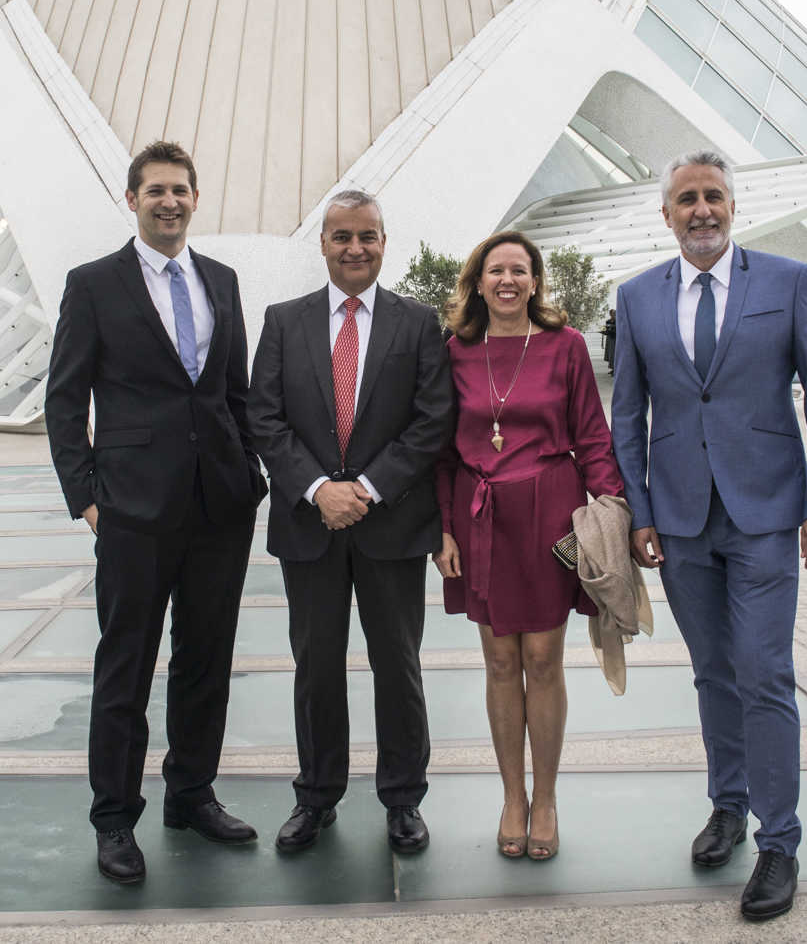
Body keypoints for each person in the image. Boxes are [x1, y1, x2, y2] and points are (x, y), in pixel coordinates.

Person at [610, 149, 807, 923]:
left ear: (733, 207)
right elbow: (628, 419)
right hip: (680, 519)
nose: (701, 209)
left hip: (768, 514)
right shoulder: (638, 297)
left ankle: (779, 841)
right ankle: (728, 805)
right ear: (667, 213)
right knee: (713, 670)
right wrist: (640, 513)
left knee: (764, 670)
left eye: (713, 196)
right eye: (687, 199)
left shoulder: (787, 282)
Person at [42, 140, 269, 885]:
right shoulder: (94, 284)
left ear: (195, 199)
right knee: (127, 665)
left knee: (206, 659)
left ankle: (191, 792)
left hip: (219, 507)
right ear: (132, 198)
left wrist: (250, 475)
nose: (169, 201)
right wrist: (87, 497)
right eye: (155, 190)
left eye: (180, 190)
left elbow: (231, 392)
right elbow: (65, 399)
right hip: (133, 509)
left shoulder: (223, 282)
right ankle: (114, 819)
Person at [247, 189, 453, 855]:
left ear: (384, 241)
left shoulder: (418, 324)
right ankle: (317, 796)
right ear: (325, 243)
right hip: (310, 528)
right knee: (316, 665)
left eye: (367, 235)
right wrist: (315, 489)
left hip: (390, 526)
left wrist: (363, 487)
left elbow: (432, 421)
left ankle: (402, 799)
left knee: (398, 664)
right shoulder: (283, 321)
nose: (355, 247)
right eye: (342, 236)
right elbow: (264, 418)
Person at [433, 229, 626, 862]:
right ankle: (511, 797)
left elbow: (593, 438)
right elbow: (436, 448)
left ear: (536, 281)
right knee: (497, 661)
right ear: (478, 281)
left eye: (520, 270)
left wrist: (611, 515)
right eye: (496, 271)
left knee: (542, 658)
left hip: (550, 515)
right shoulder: (454, 351)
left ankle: (545, 799)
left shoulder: (565, 346)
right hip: (478, 512)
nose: (508, 280)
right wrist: (443, 529)